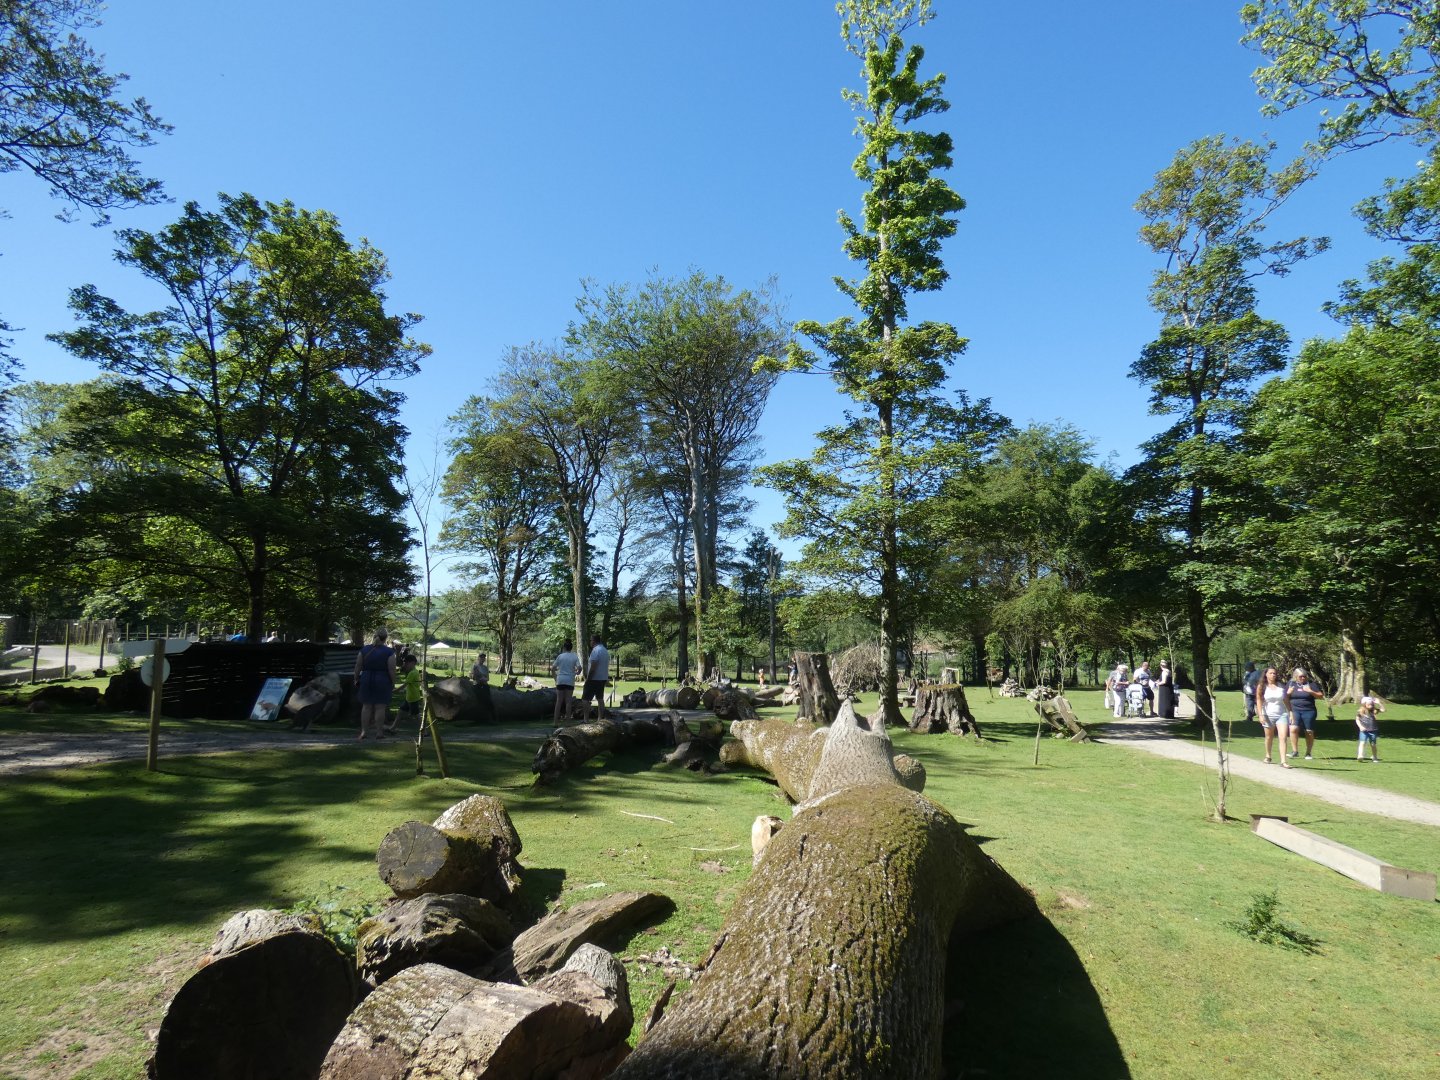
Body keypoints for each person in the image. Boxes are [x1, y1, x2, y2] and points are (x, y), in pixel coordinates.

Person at [353, 629, 396, 741]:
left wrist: (356, 678)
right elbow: (391, 669)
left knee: (366, 706)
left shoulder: (364, 650)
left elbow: (358, 666)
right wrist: (393, 682)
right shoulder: (389, 652)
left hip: (366, 678)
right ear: (385, 638)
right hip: (382, 679)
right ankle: (379, 732)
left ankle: (364, 732)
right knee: (380, 707)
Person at [1285, 667, 1324, 761]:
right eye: (1301, 676)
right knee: (1293, 729)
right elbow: (1284, 697)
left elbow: (1320, 696)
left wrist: (1310, 691)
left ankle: (1308, 753)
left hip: (1309, 710)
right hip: (1295, 710)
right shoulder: (1291, 684)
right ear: (1295, 677)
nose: (1303, 678)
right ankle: (1295, 751)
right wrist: (1288, 693)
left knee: (1309, 731)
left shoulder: (1311, 684)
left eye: (1305, 676)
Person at [1256, 666, 1288, 766]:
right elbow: (1259, 700)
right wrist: (1260, 715)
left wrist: (1290, 711)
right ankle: (1268, 755)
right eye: (1271, 673)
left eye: (1274, 673)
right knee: (1269, 736)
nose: (1273, 675)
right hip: (1268, 715)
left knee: (1283, 737)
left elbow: (1285, 699)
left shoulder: (1281, 686)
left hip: (1282, 714)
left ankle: (1283, 761)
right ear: (1266, 674)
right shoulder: (1262, 686)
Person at [387, 653, 422, 734]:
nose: (405, 665)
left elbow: (404, 685)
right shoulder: (414, 672)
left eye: (407, 663)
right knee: (400, 713)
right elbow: (410, 685)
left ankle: (425, 731)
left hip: (413, 698)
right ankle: (392, 728)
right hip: (409, 698)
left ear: (413, 663)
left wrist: (395, 691)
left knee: (417, 716)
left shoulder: (413, 673)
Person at [581, 635, 610, 722]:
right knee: (600, 698)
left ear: (594, 641)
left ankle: (586, 720)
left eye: (590, 640)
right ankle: (600, 719)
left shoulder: (595, 650)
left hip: (594, 678)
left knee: (585, 699)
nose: (590, 642)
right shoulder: (605, 650)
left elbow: (593, 666)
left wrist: (588, 678)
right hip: (603, 678)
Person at [553, 639, 580, 725]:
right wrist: (577, 673)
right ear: (571, 648)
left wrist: (555, 678)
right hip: (569, 680)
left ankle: (555, 722)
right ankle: (568, 722)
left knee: (559, 701)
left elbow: (553, 668)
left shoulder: (560, 656)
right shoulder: (574, 656)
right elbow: (579, 668)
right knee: (568, 701)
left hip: (560, 679)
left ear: (564, 648)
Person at [1356, 692, 1385, 762]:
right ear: (1364, 704)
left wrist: (1379, 703)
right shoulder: (1361, 712)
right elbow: (1357, 720)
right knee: (1362, 743)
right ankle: (1360, 755)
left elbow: (1383, 710)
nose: (1371, 705)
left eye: (1372, 704)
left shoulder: (1374, 711)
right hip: (1364, 731)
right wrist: (1360, 727)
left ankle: (1374, 757)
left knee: (1373, 744)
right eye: (1369, 704)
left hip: (1373, 730)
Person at [470, 652, 494, 724]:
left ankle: (490, 717)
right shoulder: (475, 666)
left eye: (484, 658)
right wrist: (478, 678)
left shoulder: (485, 668)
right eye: (481, 658)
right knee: (479, 698)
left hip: (485, 685)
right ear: (478, 658)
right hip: (477, 684)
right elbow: (471, 676)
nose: (482, 659)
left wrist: (484, 679)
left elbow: (488, 678)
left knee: (488, 699)